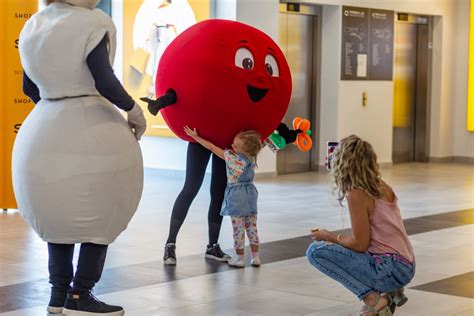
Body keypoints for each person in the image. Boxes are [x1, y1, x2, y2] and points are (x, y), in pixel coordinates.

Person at [14, 0, 146, 315]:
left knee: (57, 218)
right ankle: (81, 294)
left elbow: (28, 85)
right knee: (101, 213)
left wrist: (53, 106)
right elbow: (102, 76)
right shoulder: (92, 22)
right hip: (93, 129)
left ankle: (58, 296)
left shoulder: (34, 25)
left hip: (42, 130)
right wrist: (133, 109)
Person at [306, 135, 415, 316]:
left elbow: (360, 244)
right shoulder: (382, 186)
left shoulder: (356, 193)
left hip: (391, 267)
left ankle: (374, 300)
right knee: (340, 248)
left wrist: (330, 236)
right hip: (407, 264)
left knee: (315, 252)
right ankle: (392, 292)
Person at [184, 127, 263, 268]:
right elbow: (259, 144)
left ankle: (239, 259)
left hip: (237, 198)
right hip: (251, 196)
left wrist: (195, 137)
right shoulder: (252, 157)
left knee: (238, 230)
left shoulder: (232, 159)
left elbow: (212, 147)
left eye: (235, 145)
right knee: (252, 228)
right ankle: (255, 257)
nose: (232, 146)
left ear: (244, 150)